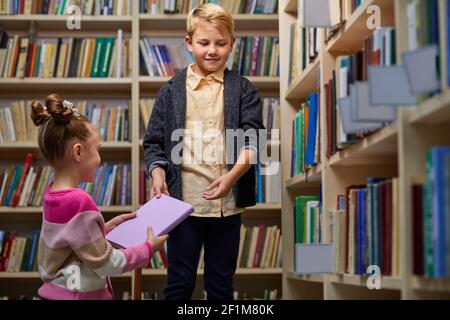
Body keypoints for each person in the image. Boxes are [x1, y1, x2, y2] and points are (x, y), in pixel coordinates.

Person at [143, 3, 264, 300]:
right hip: (182, 206)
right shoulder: (171, 90)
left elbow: (254, 142)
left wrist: (232, 178)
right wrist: (157, 173)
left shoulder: (243, 89)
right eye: (204, 43)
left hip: (228, 206)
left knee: (221, 285)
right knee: (179, 283)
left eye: (221, 43)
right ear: (189, 43)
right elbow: (154, 142)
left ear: (232, 44)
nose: (212, 50)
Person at [32, 94, 168, 300]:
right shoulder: (79, 201)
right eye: (97, 149)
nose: (99, 159)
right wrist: (148, 249)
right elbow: (107, 263)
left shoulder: (53, 194)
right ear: (78, 152)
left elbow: (68, 243)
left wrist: (103, 229)